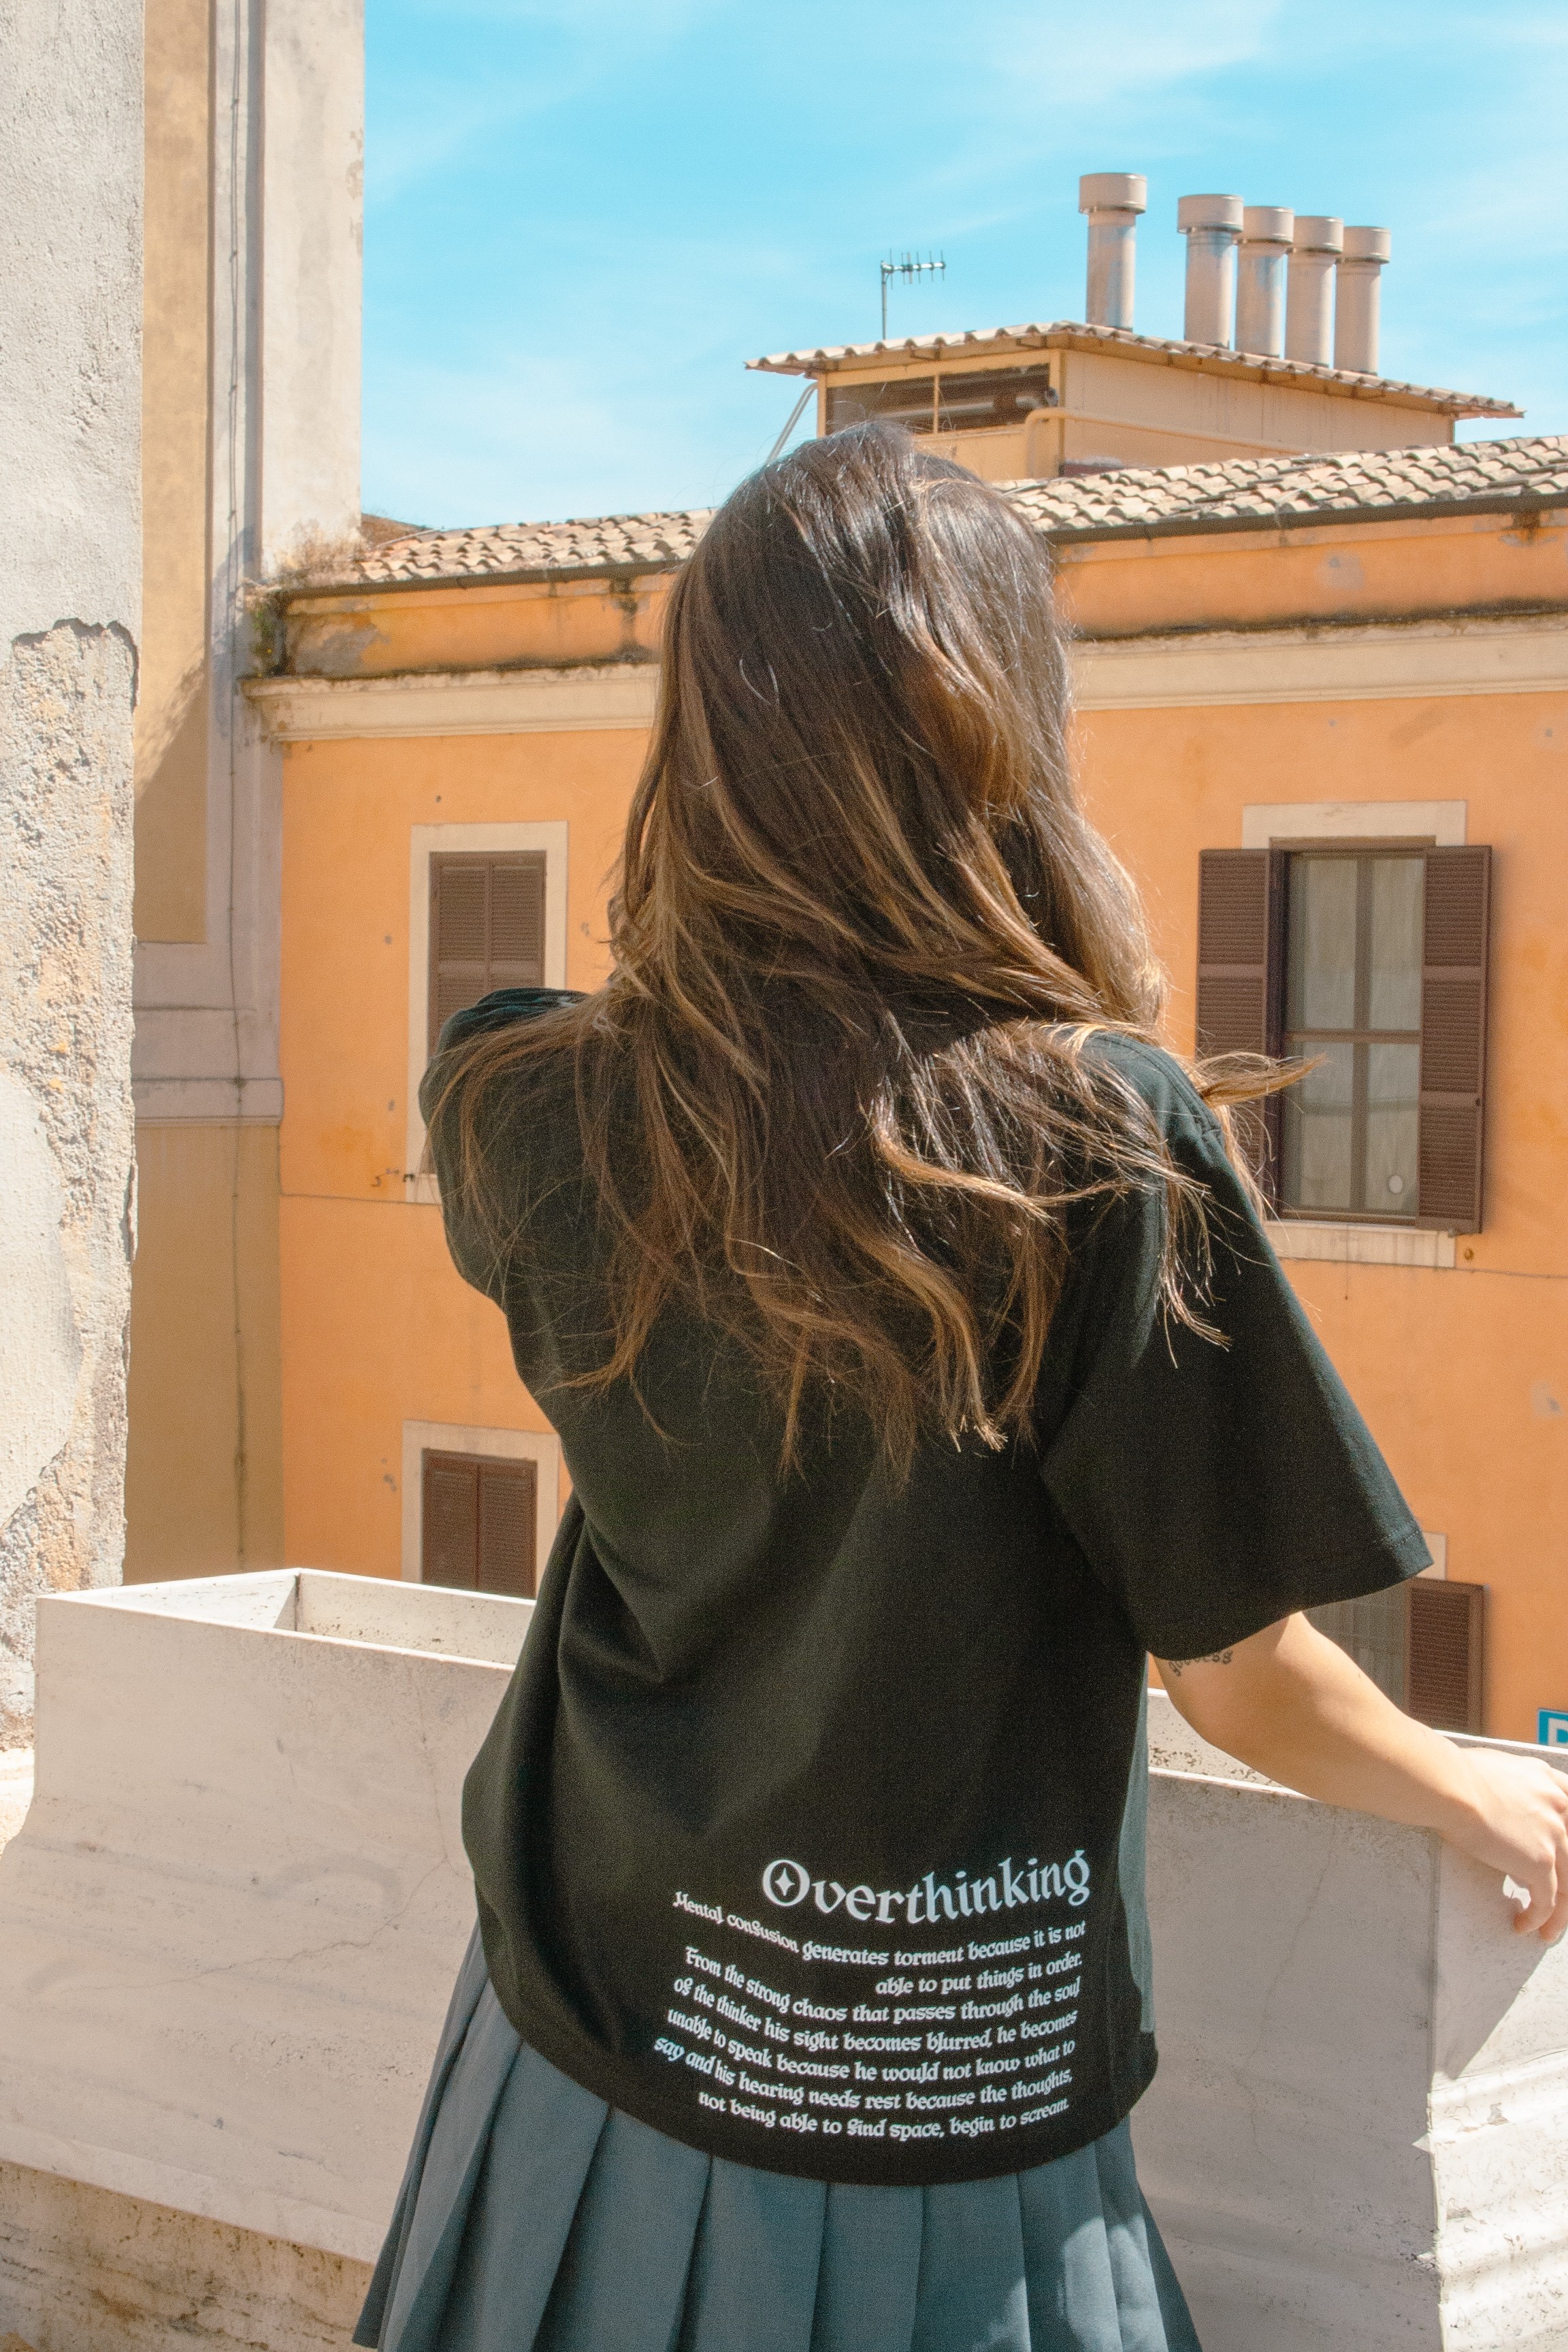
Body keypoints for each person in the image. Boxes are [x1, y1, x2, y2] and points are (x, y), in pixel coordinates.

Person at [355, 425, 1567, 2352]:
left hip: (580, 2046)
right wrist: (1490, 1809)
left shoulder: (520, 1096)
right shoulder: (1092, 1136)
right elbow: (1241, 1669)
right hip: (937, 2113)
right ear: (997, 727)